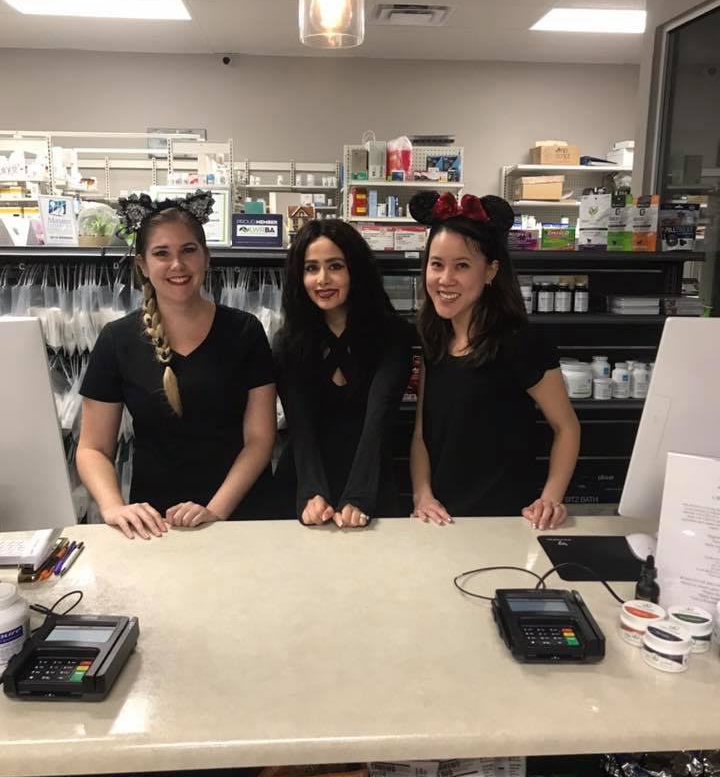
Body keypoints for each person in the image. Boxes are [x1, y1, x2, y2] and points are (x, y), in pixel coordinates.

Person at [77, 190, 276, 540]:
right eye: (161, 253)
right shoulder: (116, 340)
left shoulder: (245, 331)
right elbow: (93, 448)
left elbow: (260, 439)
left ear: (206, 257)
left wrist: (215, 511)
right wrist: (113, 507)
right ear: (142, 265)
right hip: (156, 526)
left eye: (188, 250)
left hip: (241, 519)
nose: (177, 265)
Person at [408, 190, 580, 530]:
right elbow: (421, 434)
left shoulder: (520, 342)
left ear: (490, 271)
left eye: (462, 266)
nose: (445, 279)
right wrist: (422, 495)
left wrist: (550, 498)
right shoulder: (434, 338)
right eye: (436, 264)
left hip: (508, 522)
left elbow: (566, 427)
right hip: (441, 521)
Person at [274, 219, 414, 528]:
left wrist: (359, 495)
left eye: (335, 266)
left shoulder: (393, 336)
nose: (322, 279)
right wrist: (311, 492)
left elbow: (378, 418)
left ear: (356, 270)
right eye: (311, 268)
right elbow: (300, 426)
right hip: (303, 485)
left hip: (370, 485)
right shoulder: (288, 343)